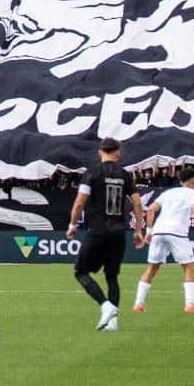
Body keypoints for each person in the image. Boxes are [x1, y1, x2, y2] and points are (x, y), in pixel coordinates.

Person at [67, 138, 139, 331]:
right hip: (118, 233)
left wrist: (72, 225)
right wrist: (139, 230)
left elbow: (80, 202)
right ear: (118, 153)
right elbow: (138, 203)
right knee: (112, 277)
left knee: (80, 272)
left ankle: (106, 306)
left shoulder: (92, 172)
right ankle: (113, 323)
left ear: (100, 152)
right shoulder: (125, 175)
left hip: (98, 230)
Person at [134, 165, 194, 314]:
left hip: (159, 231)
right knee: (188, 266)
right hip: (177, 232)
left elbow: (150, 209)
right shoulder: (193, 194)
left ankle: (138, 304)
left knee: (151, 268)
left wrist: (149, 231)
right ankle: (189, 305)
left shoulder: (168, 192)